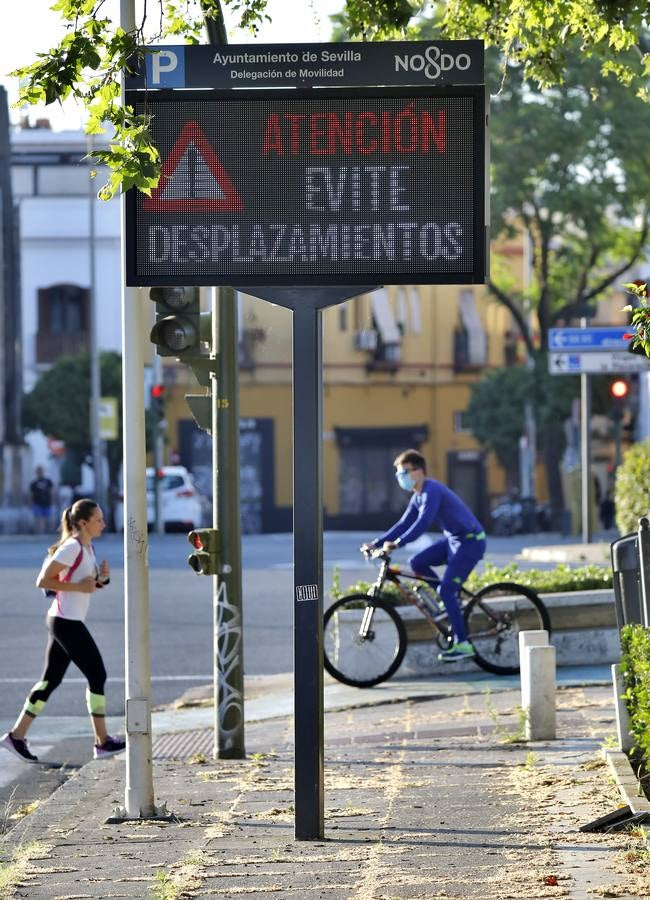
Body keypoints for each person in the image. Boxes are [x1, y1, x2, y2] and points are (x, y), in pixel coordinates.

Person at [0, 499, 125, 763]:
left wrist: (101, 578)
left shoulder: (87, 546)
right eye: (98, 519)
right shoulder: (71, 547)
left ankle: (16, 736)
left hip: (65, 619)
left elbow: (84, 583)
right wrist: (81, 588)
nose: (103, 523)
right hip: (65, 622)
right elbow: (43, 581)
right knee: (97, 674)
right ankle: (102, 742)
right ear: (83, 522)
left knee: (50, 680)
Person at [362, 449, 486, 663]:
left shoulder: (432, 491)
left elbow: (422, 523)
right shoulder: (418, 496)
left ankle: (463, 644)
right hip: (454, 540)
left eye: (404, 472)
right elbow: (403, 523)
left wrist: (398, 544)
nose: (400, 478)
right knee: (417, 562)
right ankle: (449, 601)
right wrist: (376, 543)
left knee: (447, 590)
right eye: (398, 474)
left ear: (418, 471)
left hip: (470, 542)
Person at [29, 466, 54, 534]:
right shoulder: (33, 483)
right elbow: (31, 494)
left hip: (47, 503)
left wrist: (52, 502)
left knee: (49, 519)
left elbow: (51, 492)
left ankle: (48, 532)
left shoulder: (48, 481)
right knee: (39, 519)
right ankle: (40, 533)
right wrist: (30, 504)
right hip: (37, 503)